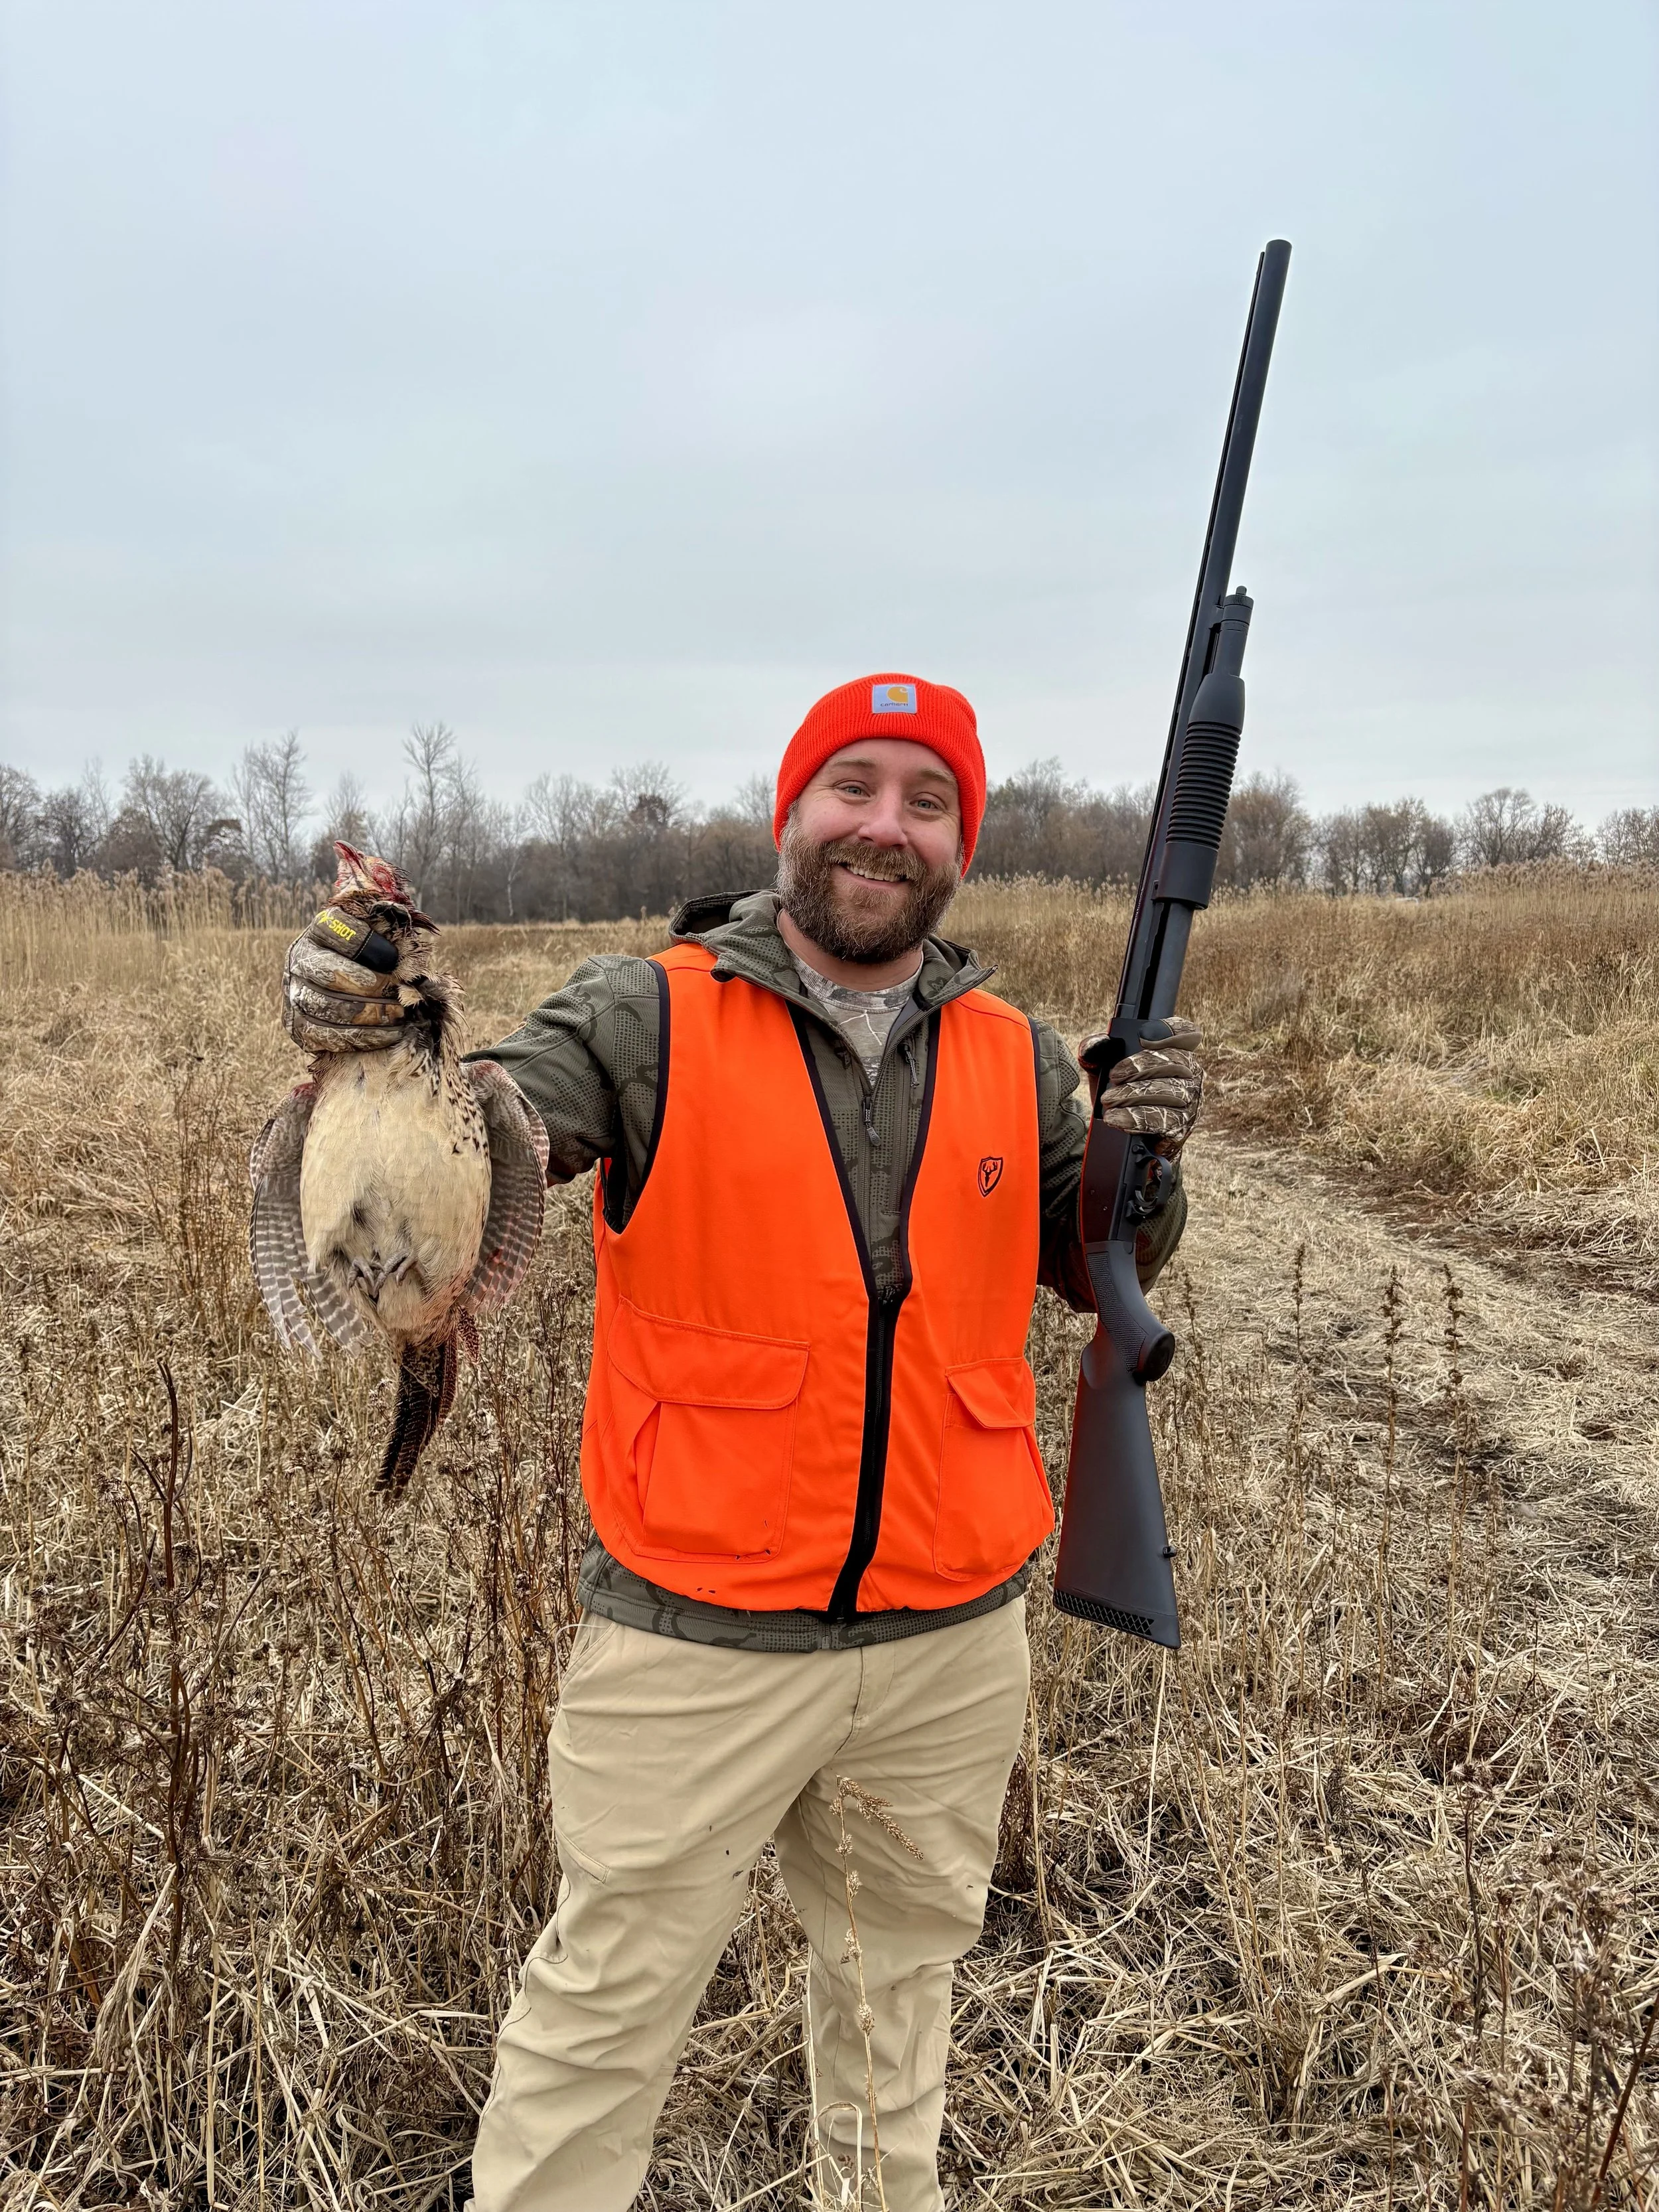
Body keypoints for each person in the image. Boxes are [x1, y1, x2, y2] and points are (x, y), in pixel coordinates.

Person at [281, 672, 1203, 2212]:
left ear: (956, 844)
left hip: (945, 1645)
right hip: (695, 1641)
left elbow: (1096, 1255)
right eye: (851, 786)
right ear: (791, 813)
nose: (882, 825)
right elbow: (497, 1121)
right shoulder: (642, 1011)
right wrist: (369, 1049)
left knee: (894, 2023)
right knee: (597, 2030)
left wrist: (1145, 1157)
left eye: (925, 799)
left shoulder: (1015, 1053)